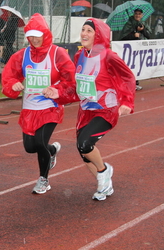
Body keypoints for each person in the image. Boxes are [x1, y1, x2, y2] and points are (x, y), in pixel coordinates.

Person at [44, 18, 135, 201]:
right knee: (84, 151)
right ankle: (105, 185)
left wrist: (127, 102)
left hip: (105, 110)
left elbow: (127, 77)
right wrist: (58, 92)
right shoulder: (79, 56)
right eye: (83, 29)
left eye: (89, 30)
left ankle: (104, 171)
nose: (84, 33)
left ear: (98, 34)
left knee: (85, 144)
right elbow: (76, 85)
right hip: (85, 110)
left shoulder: (108, 56)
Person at [1, 13, 76, 194]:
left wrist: (57, 90)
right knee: (30, 147)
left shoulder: (57, 54)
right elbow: (9, 76)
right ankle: (52, 150)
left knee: (40, 142)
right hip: (29, 107)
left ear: (45, 34)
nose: (34, 39)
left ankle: (44, 180)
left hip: (50, 106)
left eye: (38, 35)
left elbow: (71, 80)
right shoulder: (22, 55)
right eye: (31, 35)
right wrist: (14, 84)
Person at [120, 8, 152, 91]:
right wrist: (133, 35)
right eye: (136, 14)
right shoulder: (128, 24)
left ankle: (136, 83)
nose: (138, 15)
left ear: (142, 15)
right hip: (130, 50)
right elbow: (123, 37)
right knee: (130, 66)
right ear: (134, 14)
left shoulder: (144, 23)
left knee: (138, 65)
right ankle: (130, 83)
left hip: (140, 49)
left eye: (139, 14)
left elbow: (149, 36)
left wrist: (142, 30)